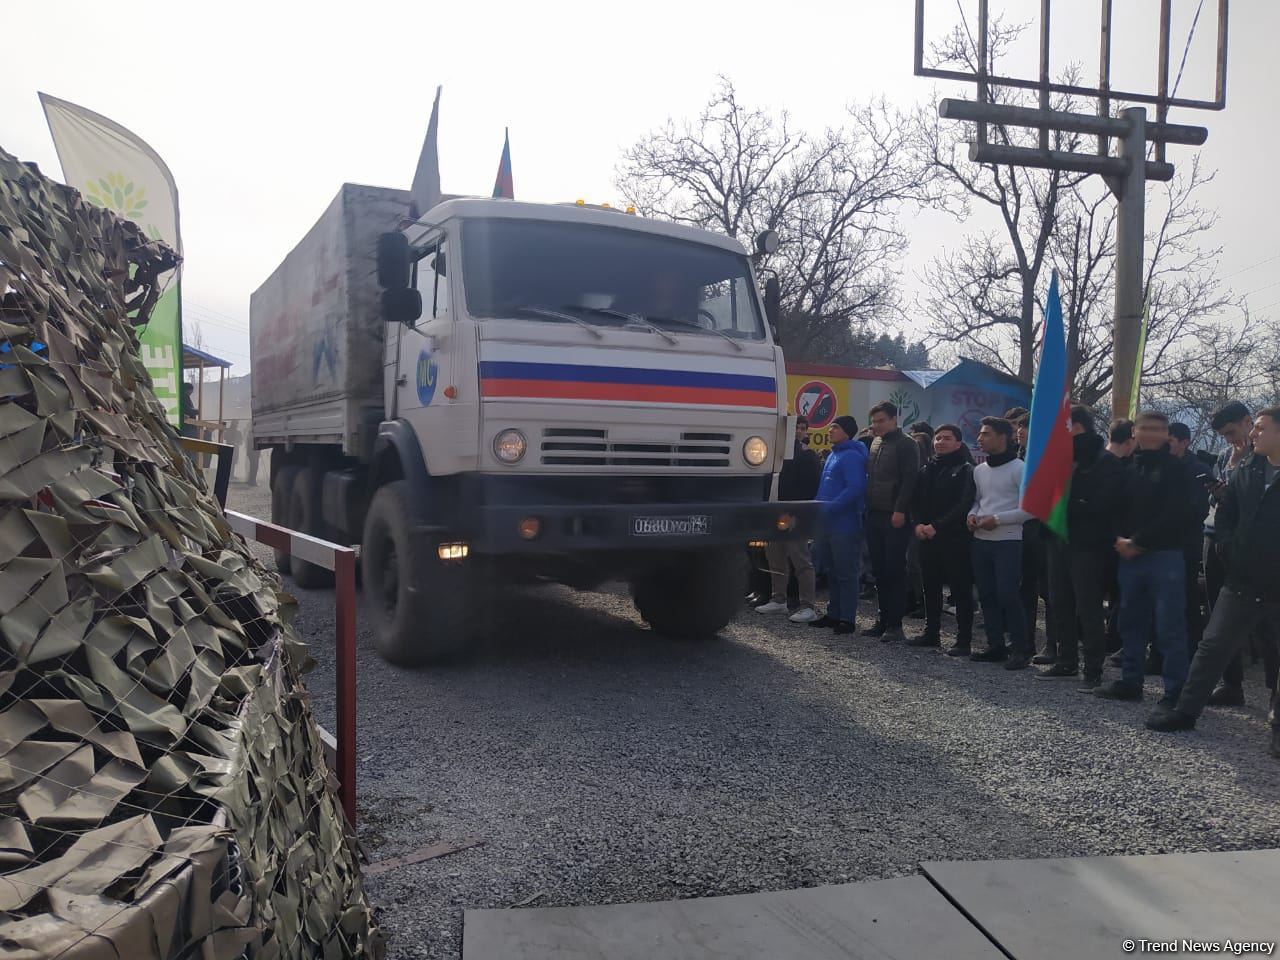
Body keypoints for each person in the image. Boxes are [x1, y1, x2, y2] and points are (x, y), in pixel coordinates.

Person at [1147, 406, 1280, 758]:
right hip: (1243, 578)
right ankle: (1186, 710)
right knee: (1212, 645)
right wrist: (1227, 545)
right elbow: (1227, 512)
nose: (1254, 435)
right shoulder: (1247, 469)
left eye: (1262, 428)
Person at [1094, 411, 1198, 705]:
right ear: (1135, 433)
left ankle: (1176, 692)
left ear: (1167, 435)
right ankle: (1131, 682)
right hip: (1129, 558)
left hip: (1165, 558)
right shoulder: (1128, 470)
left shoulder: (1179, 471)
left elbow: (1179, 514)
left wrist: (1138, 542)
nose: (1151, 434)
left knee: (1169, 628)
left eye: (1158, 429)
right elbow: (1114, 509)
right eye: (1145, 428)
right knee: (1131, 623)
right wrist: (1118, 540)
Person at [1037, 405, 1126, 688]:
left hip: (1088, 545)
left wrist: (1069, 505)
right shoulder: (1057, 458)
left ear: (1077, 426)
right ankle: (1065, 660)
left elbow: (1105, 504)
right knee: (1059, 603)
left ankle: (1093, 668)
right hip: (1057, 539)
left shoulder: (1105, 461)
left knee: (1088, 608)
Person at [1200, 401, 1277, 706]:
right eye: (1223, 435)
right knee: (1219, 615)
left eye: (1232, 432)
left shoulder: (1267, 458)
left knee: (1266, 622)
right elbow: (1223, 500)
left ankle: (1274, 692)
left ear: (1248, 422)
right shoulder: (1224, 457)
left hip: (1256, 550)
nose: (1230, 440)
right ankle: (1231, 684)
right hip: (1216, 537)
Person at [967, 417, 1033, 669]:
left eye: (986, 434)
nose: (980, 438)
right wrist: (971, 515)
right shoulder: (979, 470)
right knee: (986, 594)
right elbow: (978, 501)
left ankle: (1020, 649)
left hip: (1008, 541)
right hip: (980, 540)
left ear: (1003, 438)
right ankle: (995, 645)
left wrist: (997, 519)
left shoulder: (1020, 469)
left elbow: (1030, 510)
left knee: (1008, 595)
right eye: (980, 434)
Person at [909, 424, 976, 653]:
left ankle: (964, 640)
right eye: (938, 438)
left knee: (960, 589)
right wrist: (917, 524)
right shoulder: (927, 469)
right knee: (931, 586)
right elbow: (915, 501)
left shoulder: (966, 469)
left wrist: (937, 526)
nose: (941, 442)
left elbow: (964, 503)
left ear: (958, 443)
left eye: (947, 438)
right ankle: (931, 633)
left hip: (955, 538)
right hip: (927, 538)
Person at [862, 401, 920, 643]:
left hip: (894, 516)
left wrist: (900, 510)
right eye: (874, 421)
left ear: (894, 419)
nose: (876, 426)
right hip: (874, 513)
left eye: (881, 421)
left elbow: (910, 480)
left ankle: (895, 625)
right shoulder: (876, 443)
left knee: (894, 570)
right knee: (879, 570)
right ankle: (883, 619)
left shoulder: (907, 444)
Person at [757, 416, 822, 623]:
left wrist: (795, 512)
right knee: (774, 558)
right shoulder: (768, 453)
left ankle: (808, 605)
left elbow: (810, 487)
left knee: (801, 560)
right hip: (772, 514)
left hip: (794, 515)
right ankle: (779, 600)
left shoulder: (806, 455)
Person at [809, 416, 869, 635]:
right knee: (831, 570)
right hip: (827, 522)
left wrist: (830, 507)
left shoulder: (852, 456)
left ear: (846, 432)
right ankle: (833, 613)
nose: (830, 430)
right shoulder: (835, 454)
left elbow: (855, 488)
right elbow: (825, 488)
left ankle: (847, 618)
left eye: (835, 427)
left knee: (846, 572)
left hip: (845, 524)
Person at [1012, 413, 1057, 666]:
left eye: (1027, 427)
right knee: (1025, 589)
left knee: (1049, 592)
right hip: (1022, 530)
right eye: (1019, 426)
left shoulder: (1048, 459)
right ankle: (1025, 640)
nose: (1021, 431)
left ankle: (1053, 643)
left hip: (1045, 531)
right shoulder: (1017, 456)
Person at [1168, 421, 1211, 658]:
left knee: (1186, 597)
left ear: (1184, 442)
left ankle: (1191, 647)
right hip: (1163, 544)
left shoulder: (1198, 470)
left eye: (1170, 442)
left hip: (1186, 544)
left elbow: (1197, 509)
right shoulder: (1163, 466)